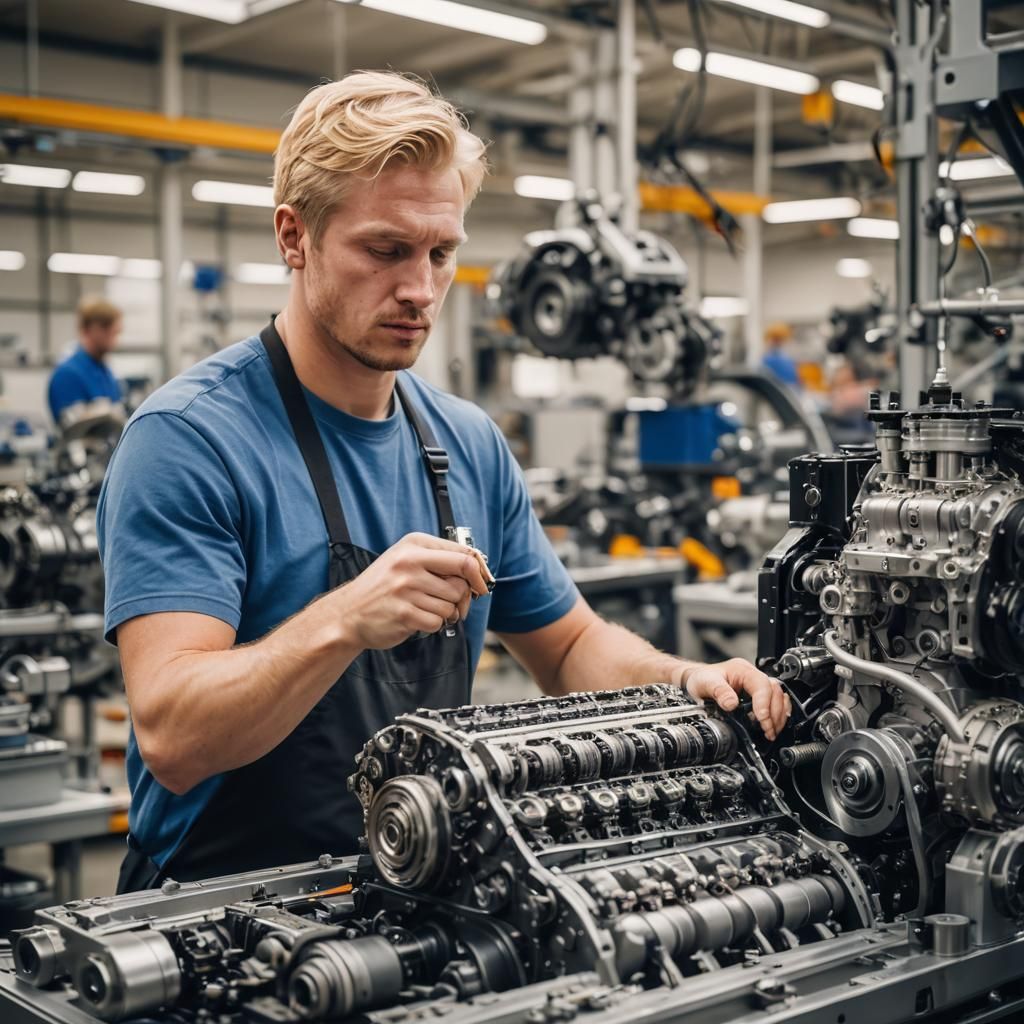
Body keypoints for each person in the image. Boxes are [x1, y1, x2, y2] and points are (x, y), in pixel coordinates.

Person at [98, 72, 792, 893]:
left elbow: (568, 646)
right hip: (223, 913)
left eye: (441, 253)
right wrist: (345, 620)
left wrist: (683, 681)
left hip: (418, 887)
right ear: (294, 237)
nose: (421, 290)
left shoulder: (466, 441)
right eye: (386, 250)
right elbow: (174, 738)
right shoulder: (189, 440)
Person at [48, 296, 124, 427]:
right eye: (113, 333)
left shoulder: (105, 373)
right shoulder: (67, 375)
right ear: (93, 330)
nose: (116, 341)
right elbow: (74, 430)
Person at [761, 321, 801, 389]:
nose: (778, 342)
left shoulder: (785, 357)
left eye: (779, 339)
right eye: (775, 339)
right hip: (778, 389)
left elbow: (794, 377)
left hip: (790, 389)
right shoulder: (768, 359)